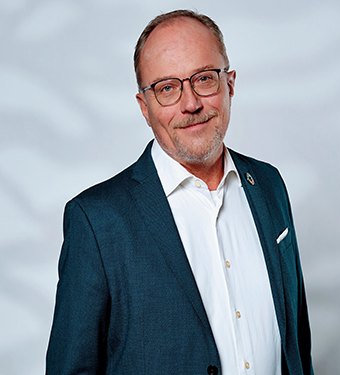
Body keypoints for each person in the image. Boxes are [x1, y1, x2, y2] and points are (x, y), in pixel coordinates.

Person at [46, 9, 314, 375]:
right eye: (167, 88)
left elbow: (296, 342)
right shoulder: (97, 221)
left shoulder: (268, 186)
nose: (191, 104)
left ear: (230, 84)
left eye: (204, 79)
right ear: (145, 106)